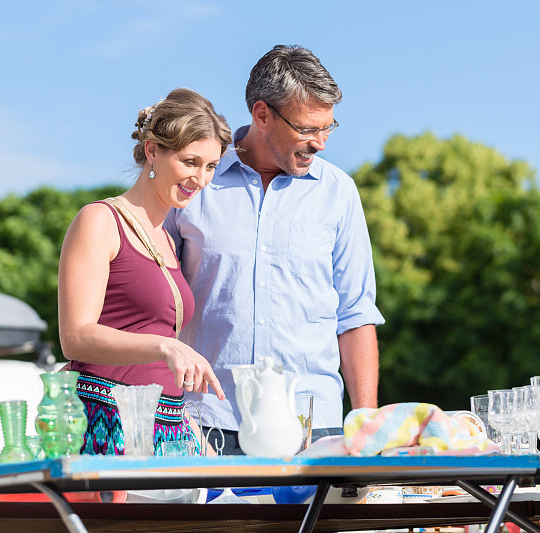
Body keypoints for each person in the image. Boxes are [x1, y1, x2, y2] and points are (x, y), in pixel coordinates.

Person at [165, 45, 384, 455]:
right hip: (206, 423)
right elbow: (158, 305)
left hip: (313, 429)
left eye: (328, 127)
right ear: (262, 114)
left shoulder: (339, 193)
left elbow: (355, 314)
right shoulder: (195, 184)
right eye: (306, 129)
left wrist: (366, 426)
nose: (320, 143)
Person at [58, 87, 233, 456]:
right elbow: (75, 337)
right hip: (103, 426)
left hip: (169, 429)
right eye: (190, 162)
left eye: (211, 166)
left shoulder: (167, 239)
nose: (201, 179)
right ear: (153, 151)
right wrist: (164, 345)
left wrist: (197, 443)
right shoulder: (100, 221)